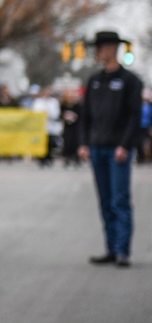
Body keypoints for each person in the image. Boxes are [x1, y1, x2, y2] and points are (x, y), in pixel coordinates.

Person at [78, 31, 143, 268]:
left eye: (100, 47)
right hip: (97, 147)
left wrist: (125, 145)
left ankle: (123, 249)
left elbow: (134, 117)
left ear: (112, 48)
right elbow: (86, 115)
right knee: (105, 200)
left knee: (119, 199)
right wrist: (84, 142)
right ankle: (111, 248)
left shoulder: (130, 81)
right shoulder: (95, 80)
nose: (97, 52)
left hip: (118, 150)